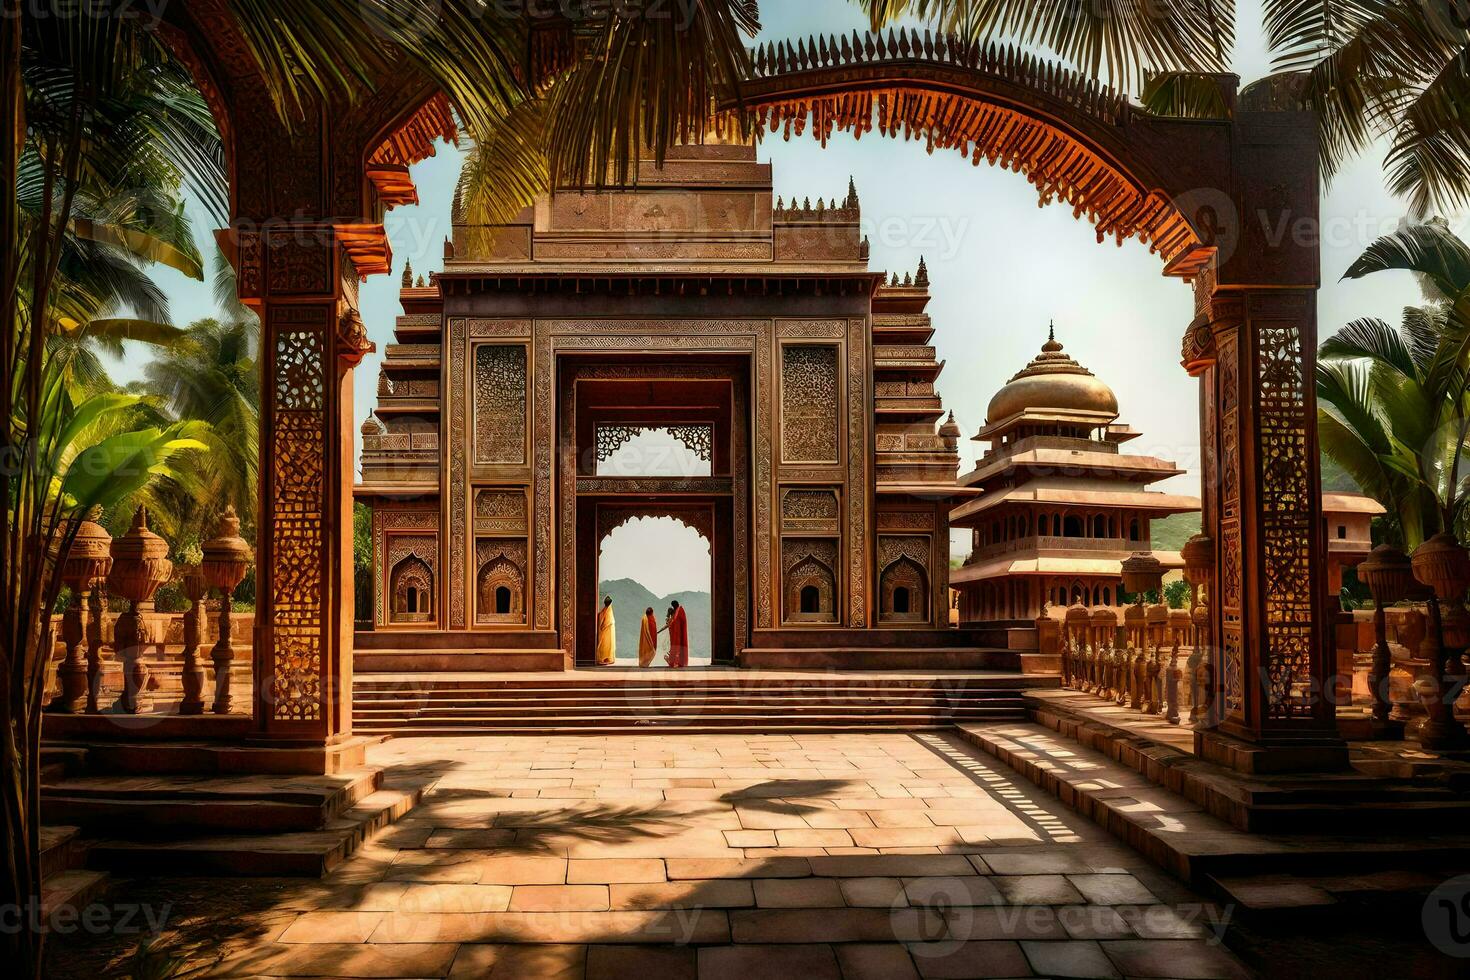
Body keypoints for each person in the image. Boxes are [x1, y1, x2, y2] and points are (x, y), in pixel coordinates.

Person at [666, 599, 689, 669]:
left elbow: (674, 622)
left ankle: (676, 662)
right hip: (679, 633)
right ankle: (678, 662)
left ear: (674, 606)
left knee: (677, 647)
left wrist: (669, 623)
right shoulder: (679, 610)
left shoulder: (678, 611)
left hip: (678, 634)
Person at [595, 595, 616, 666]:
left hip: (605, 631)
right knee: (607, 644)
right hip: (607, 631)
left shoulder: (603, 611)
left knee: (605, 644)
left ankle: (605, 658)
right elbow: (609, 621)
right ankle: (606, 658)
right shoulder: (609, 611)